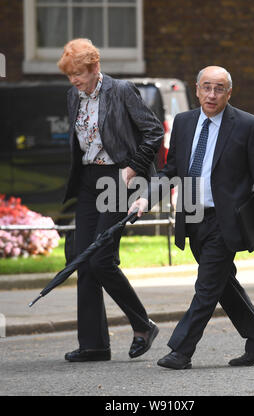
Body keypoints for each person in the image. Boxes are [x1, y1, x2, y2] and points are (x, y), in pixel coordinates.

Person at [129, 66, 254, 369]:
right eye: (207, 88)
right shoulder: (183, 123)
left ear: (229, 93)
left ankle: (181, 351)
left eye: (219, 88)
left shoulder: (248, 126)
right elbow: (171, 171)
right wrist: (146, 195)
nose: (212, 94)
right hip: (193, 216)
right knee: (223, 283)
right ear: (197, 90)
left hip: (228, 222)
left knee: (207, 287)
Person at [57, 38, 163, 362]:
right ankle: (94, 344)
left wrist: (133, 167)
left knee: (100, 258)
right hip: (90, 181)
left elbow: (154, 131)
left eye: (78, 74)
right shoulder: (72, 96)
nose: (74, 81)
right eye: (69, 75)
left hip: (119, 178)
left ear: (94, 67)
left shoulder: (120, 90)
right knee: (81, 258)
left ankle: (142, 324)